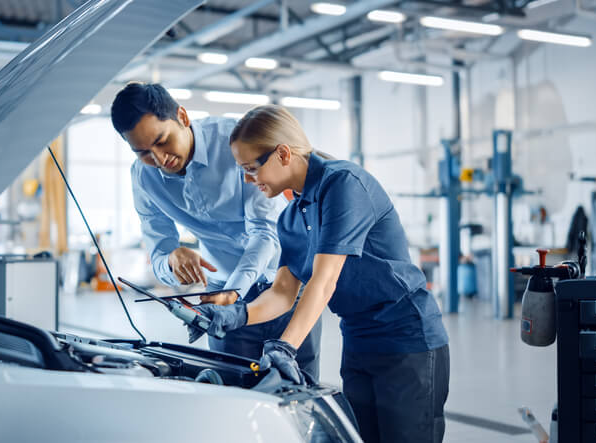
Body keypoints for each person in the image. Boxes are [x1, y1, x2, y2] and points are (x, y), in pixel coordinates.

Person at [191, 105, 450, 443]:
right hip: (358, 340)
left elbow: (324, 280)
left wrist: (284, 346)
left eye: (251, 168)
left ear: (283, 153)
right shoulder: (290, 218)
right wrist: (235, 314)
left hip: (406, 338)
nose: (247, 179)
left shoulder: (343, 185)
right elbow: (283, 292)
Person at [109, 83, 321, 378]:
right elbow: (159, 253)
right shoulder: (144, 178)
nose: (159, 159)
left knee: (300, 390)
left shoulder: (237, 143)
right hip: (222, 297)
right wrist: (172, 260)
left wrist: (233, 293)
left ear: (182, 117)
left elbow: (264, 232)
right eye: (143, 152)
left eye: (162, 141)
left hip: (286, 286)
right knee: (232, 392)